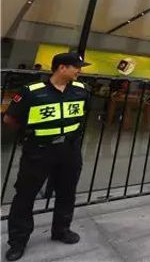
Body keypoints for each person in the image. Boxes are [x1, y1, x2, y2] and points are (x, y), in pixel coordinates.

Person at [3, 52, 91, 261]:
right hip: (39, 151)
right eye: (76, 67)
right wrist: (32, 132)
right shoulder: (32, 92)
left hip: (69, 150)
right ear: (61, 67)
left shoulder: (81, 90)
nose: (79, 71)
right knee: (25, 195)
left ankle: (61, 229)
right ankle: (18, 241)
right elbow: (10, 119)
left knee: (67, 191)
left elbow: (82, 115)